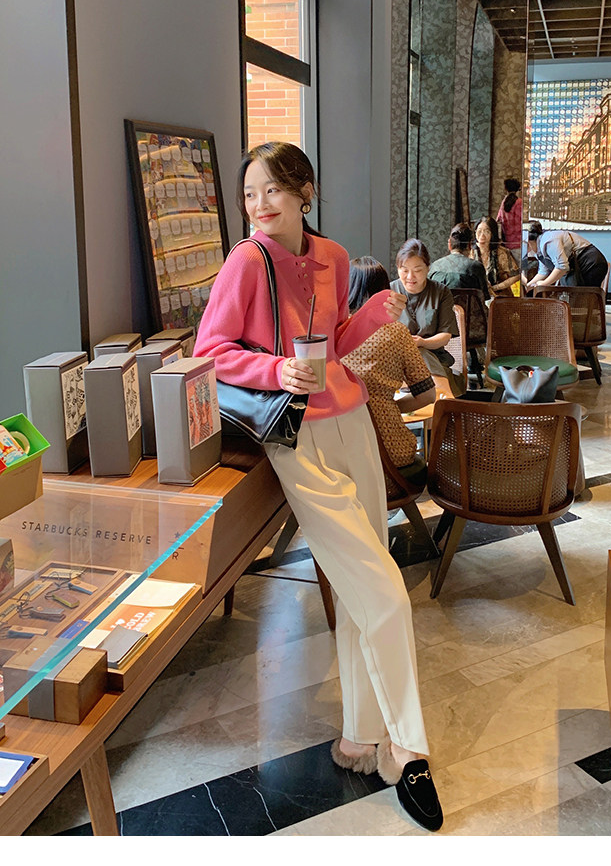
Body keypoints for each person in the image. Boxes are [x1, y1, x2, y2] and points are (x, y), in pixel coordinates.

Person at [193, 142, 443, 832]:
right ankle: (407, 749)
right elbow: (210, 350)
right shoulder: (247, 261)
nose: (259, 204)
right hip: (295, 439)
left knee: (364, 579)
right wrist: (276, 370)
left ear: (306, 191)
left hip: (352, 421)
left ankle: (359, 736)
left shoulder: (332, 256)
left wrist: (375, 315)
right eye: (250, 193)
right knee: (382, 587)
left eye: (272, 190)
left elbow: (334, 341)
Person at [343, 257, 436, 488]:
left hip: (340, 456)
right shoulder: (396, 332)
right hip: (390, 456)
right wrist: (387, 405)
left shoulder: (332, 332)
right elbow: (427, 395)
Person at [390, 237, 463, 397]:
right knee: (414, 353)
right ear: (397, 269)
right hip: (397, 362)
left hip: (434, 357)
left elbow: (445, 336)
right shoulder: (390, 292)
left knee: (421, 351)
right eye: (404, 270)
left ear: (428, 268)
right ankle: (443, 395)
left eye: (417, 270)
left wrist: (422, 342)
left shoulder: (441, 292)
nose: (410, 277)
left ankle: (438, 394)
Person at [524, 220, 608, 290]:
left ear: (528, 241)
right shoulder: (538, 249)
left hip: (590, 262)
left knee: (583, 296)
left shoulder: (548, 240)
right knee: (574, 296)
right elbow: (543, 272)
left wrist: (544, 283)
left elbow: (562, 267)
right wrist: (528, 286)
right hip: (577, 264)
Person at [428, 224, 490, 301]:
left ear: (449, 245)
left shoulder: (434, 267)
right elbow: (485, 297)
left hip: (440, 309)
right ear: (469, 245)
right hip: (468, 309)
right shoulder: (476, 267)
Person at [471, 216, 521, 297]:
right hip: (477, 296)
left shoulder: (501, 252)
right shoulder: (471, 252)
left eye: (487, 232)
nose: (482, 236)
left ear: (492, 234)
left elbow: (516, 275)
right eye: (479, 231)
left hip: (500, 296)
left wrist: (495, 288)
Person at [496, 178, 522, 264]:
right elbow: (521, 221)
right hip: (518, 243)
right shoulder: (519, 202)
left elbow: (498, 219)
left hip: (506, 243)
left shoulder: (503, 202)